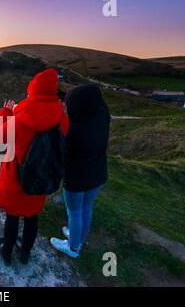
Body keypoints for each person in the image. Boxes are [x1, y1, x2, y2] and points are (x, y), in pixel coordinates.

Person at [0, 69, 69, 265]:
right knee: (32, 216)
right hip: (42, 177)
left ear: (32, 93)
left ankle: (6, 252)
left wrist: (6, 111)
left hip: (17, 178)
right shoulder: (62, 119)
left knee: (13, 217)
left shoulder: (19, 121)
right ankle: (25, 253)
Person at [50, 84, 110, 258]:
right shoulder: (102, 115)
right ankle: (79, 237)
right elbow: (96, 98)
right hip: (98, 174)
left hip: (77, 178)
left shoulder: (75, 131)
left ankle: (73, 247)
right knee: (87, 207)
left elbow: (60, 155)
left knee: (74, 212)